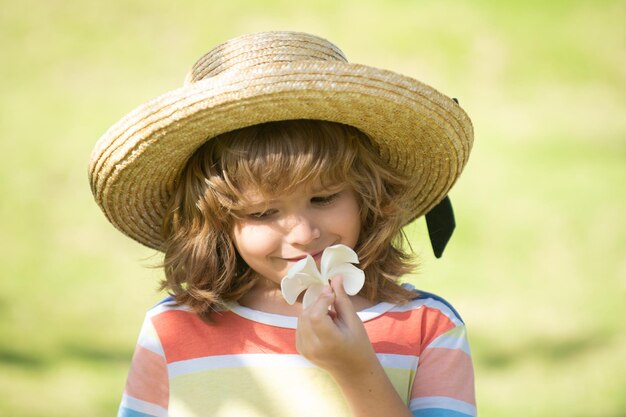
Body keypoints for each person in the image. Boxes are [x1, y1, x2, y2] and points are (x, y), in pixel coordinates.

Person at [89, 31, 476, 417]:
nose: (305, 234)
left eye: (323, 199)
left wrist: (356, 371)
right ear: (214, 223)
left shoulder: (426, 327)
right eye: (261, 213)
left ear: (369, 197)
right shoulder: (172, 330)